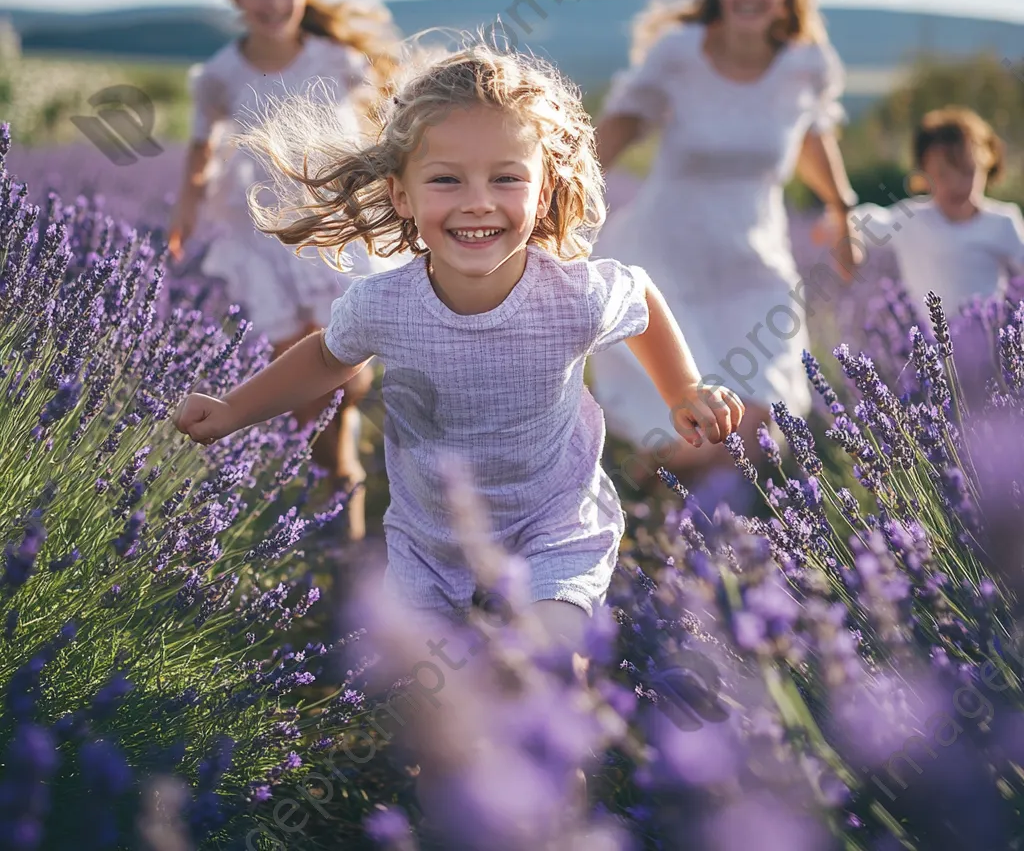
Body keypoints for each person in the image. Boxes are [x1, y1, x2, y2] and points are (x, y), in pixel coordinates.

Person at [172, 44, 744, 649]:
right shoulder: (383, 304)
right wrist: (234, 410)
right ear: (402, 197)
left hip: (550, 526)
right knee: (442, 706)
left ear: (544, 191)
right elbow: (324, 358)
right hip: (432, 541)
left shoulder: (572, 296)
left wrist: (682, 390)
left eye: (506, 178)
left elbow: (641, 299)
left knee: (548, 664)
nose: (477, 201)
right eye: (446, 179)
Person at [590, 0, 860, 485]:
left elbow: (811, 140)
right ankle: (662, 533)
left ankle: (695, 530)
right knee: (688, 435)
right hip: (666, 260)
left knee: (763, 432)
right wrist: (557, 200)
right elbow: (621, 127)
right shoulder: (679, 54)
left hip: (752, 265)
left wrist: (841, 211)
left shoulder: (805, 66)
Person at [168, 0, 405, 541]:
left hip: (332, 236)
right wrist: (184, 214)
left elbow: (390, 124)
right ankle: (338, 515)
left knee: (345, 382)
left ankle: (343, 480)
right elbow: (201, 151)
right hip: (262, 243)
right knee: (304, 400)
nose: (273, 3)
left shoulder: (337, 61)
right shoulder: (218, 74)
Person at [850, 106, 1024, 317]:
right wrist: (840, 218)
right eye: (943, 174)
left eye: (968, 172)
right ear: (923, 174)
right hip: (927, 343)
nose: (957, 184)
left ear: (987, 166)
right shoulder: (912, 218)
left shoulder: (1001, 222)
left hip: (986, 342)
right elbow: (868, 219)